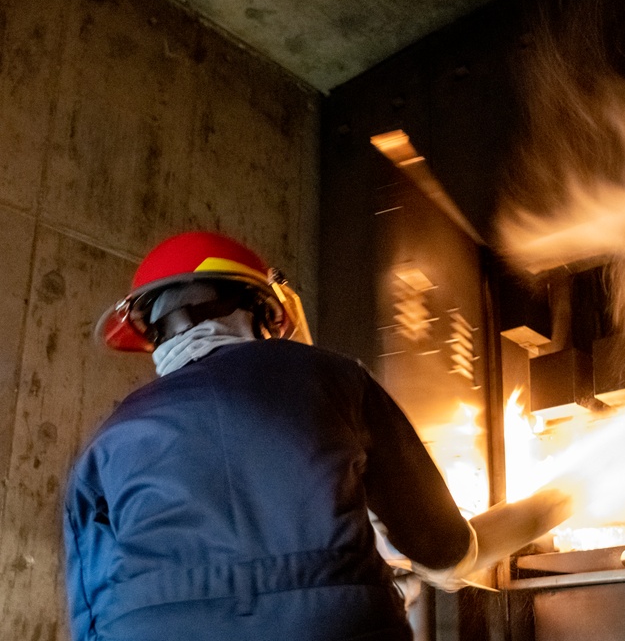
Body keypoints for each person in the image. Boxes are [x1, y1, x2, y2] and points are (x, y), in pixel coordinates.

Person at [64, 231, 569, 641]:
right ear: (262, 311)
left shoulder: (104, 442)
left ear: (152, 332)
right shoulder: (334, 379)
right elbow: (443, 549)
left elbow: (92, 613)